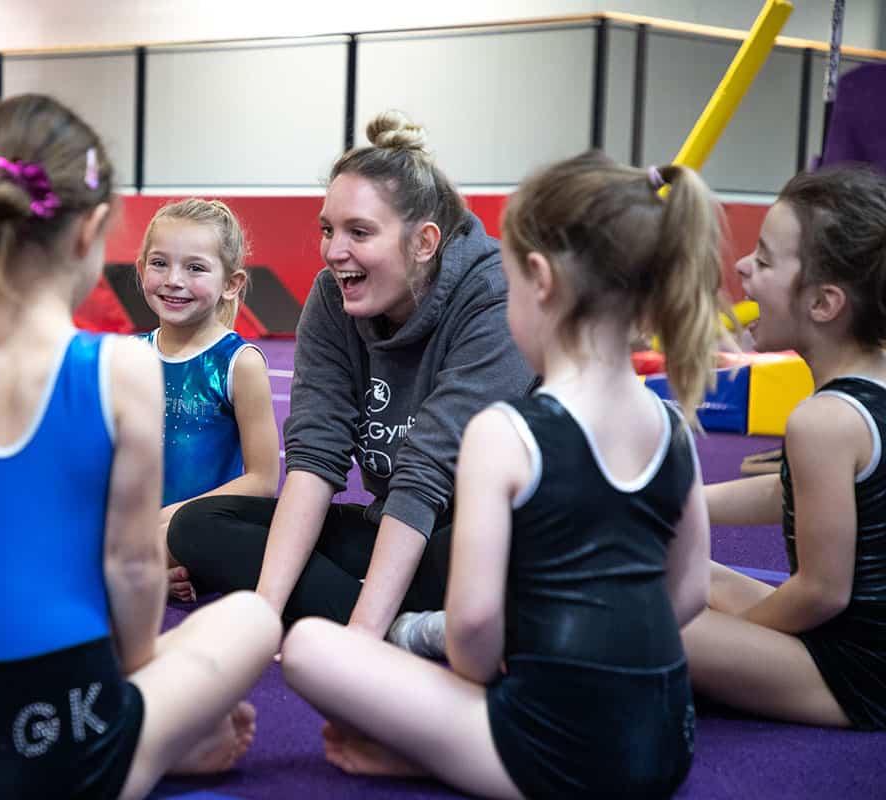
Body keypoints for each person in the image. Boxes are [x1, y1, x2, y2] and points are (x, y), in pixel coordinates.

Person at [0, 94, 280, 800]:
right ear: (92, 231)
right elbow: (132, 564)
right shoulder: (122, 368)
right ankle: (149, 743)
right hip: (76, 743)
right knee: (251, 617)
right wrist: (142, 683)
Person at [281, 151, 717, 798]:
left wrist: (409, 636)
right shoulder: (673, 428)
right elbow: (688, 595)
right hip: (667, 744)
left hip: (552, 754)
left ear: (538, 280)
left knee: (315, 649)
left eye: (508, 286)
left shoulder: (506, 434)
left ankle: (443, 755)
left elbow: (475, 629)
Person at [168, 111, 536, 636]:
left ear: (424, 242)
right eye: (327, 230)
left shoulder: (494, 295)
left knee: (491, 549)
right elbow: (315, 454)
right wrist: (265, 613)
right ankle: (416, 629)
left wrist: (360, 642)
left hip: (480, 535)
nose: (335, 252)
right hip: (394, 528)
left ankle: (390, 620)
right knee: (199, 527)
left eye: (358, 232)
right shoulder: (330, 295)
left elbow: (428, 472)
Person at [685, 166, 886, 730]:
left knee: (639, 621)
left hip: (854, 670)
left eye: (766, 261)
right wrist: (688, 500)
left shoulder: (822, 422)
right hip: (858, 643)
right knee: (697, 573)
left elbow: (822, 593)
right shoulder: (871, 389)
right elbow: (800, 492)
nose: (744, 265)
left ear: (824, 303)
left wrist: (740, 637)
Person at [136, 198, 278, 602]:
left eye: (195, 268)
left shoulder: (239, 364)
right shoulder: (128, 357)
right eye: (160, 263)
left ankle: (133, 578)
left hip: (197, 525)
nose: (173, 280)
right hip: (134, 526)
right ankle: (142, 579)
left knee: (169, 537)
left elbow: (263, 480)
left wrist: (173, 513)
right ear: (141, 268)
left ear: (231, 283)